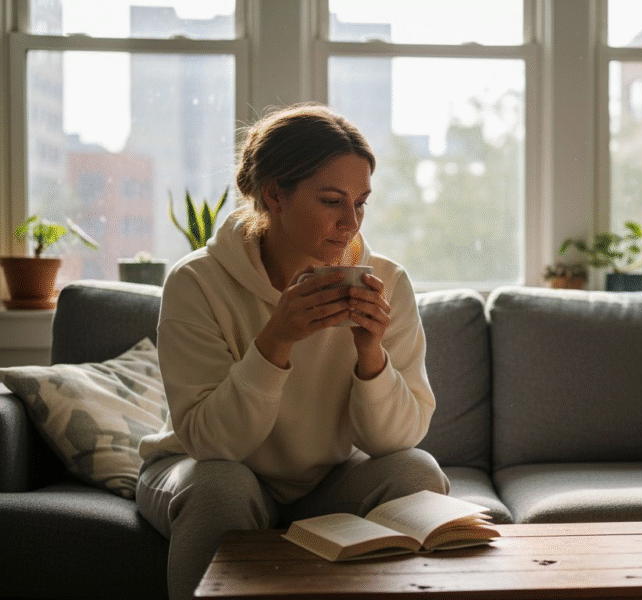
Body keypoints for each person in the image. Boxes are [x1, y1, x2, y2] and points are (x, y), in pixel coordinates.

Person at [136, 103, 448, 600]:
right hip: (206, 466)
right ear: (275, 193)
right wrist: (275, 341)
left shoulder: (386, 282)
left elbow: (400, 440)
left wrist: (372, 356)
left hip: (323, 482)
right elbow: (210, 444)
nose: (351, 222)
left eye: (361, 202)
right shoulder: (196, 282)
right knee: (223, 488)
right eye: (331, 201)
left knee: (417, 470)